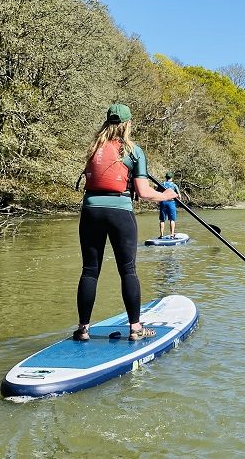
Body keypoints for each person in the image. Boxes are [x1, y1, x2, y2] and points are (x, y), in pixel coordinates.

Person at [75, 103, 178, 342]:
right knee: (128, 270)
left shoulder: (93, 148)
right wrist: (165, 195)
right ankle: (135, 329)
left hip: (91, 211)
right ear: (128, 124)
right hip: (120, 212)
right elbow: (143, 192)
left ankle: (83, 329)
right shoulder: (134, 151)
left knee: (90, 271)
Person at [159, 172, 180, 238]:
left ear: (166, 177)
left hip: (163, 202)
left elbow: (157, 193)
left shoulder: (162, 184)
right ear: (172, 178)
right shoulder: (174, 185)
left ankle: (161, 235)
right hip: (171, 203)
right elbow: (179, 196)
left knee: (162, 220)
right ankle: (172, 234)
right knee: (172, 220)